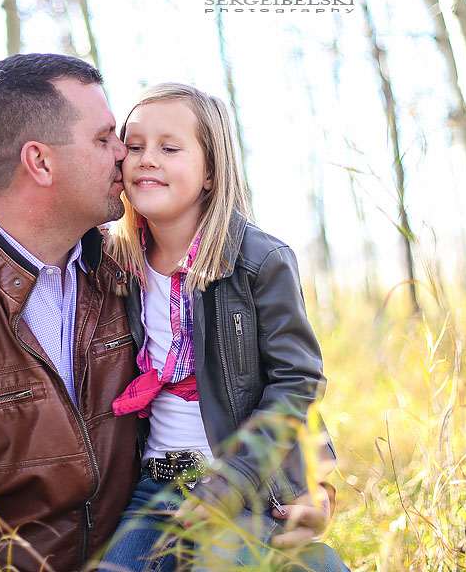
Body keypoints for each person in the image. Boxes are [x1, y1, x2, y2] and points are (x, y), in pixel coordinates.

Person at [0, 55, 332, 572]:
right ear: (41, 162)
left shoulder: (120, 267)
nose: (127, 156)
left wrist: (307, 481)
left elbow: (267, 374)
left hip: (192, 519)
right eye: (107, 140)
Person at [98, 83, 346, 571]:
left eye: (170, 148)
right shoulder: (114, 259)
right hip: (157, 485)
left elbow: (297, 381)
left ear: (210, 171)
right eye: (133, 145)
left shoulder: (259, 261)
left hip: (249, 483)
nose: (147, 158)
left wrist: (237, 482)